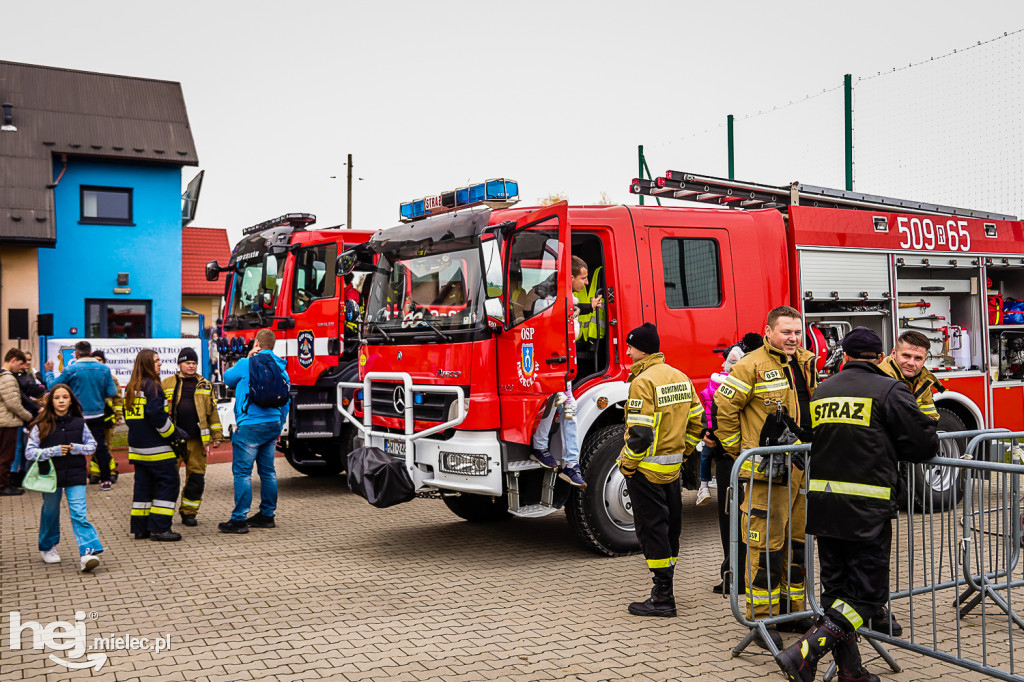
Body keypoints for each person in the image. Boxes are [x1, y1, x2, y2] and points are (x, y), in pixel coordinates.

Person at [776, 327, 937, 682]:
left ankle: (851, 671)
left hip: (824, 507)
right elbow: (924, 445)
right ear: (882, 357)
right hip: (866, 509)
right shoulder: (890, 389)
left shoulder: (823, 390)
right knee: (866, 596)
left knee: (837, 593)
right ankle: (804, 652)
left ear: (845, 356)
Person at [713, 306, 818, 649]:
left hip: (800, 469)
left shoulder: (806, 362)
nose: (792, 338)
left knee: (796, 543)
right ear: (769, 331)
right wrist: (740, 453)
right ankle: (762, 617)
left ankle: (794, 608)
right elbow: (723, 408)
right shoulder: (750, 365)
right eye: (786, 332)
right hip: (766, 474)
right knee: (765, 546)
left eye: (797, 332)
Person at [618, 323, 706, 617]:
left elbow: (640, 434)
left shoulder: (642, 382)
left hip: (645, 472)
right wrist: (684, 452)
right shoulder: (679, 376)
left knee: (651, 530)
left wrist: (628, 465)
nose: (628, 351)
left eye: (630, 346)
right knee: (670, 530)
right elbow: (698, 422)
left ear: (641, 349)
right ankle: (664, 590)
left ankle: (663, 597)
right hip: (672, 471)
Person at [529, 256, 603, 488]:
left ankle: (570, 464)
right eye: (583, 277)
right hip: (550, 366)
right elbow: (558, 315)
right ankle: (542, 449)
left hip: (564, 368)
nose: (586, 281)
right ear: (569, 277)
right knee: (552, 409)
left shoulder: (569, 298)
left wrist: (586, 307)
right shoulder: (546, 299)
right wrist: (583, 308)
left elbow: (570, 313)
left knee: (568, 413)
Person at [25, 384, 104, 572]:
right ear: (51, 401)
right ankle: (48, 547)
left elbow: (92, 446)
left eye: (65, 397)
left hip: (75, 475)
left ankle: (88, 553)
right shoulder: (41, 424)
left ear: (71, 400)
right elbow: (30, 452)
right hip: (50, 476)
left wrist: (77, 448)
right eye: (57, 397)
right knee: (50, 513)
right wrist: (52, 451)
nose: (61, 401)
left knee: (78, 513)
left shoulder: (79, 423)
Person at [220, 328, 289, 534]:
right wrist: (279, 424)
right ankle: (267, 515)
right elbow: (286, 399)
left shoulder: (245, 364)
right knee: (268, 471)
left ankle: (239, 519)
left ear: (256, 343)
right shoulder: (280, 366)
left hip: (250, 424)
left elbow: (227, 378)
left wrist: (247, 356)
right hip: (272, 424)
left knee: (242, 473)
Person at [124, 349, 188, 542]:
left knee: (143, 487)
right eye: (155, 361)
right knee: (168, 484)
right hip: (157, 451)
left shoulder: (131, 387)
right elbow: (158, 418)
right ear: (146, 365)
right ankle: (160, 528)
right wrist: (175, 436)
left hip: (138, 450)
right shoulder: (152, 386)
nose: (160, 364)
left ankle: (140, 529)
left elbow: (130, 417)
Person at [44, 340, 118, 491]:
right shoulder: (104, 369)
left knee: (69, 446)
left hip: (76, 415)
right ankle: (105, 480)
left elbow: (52, 387)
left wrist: (49, 372)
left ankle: (69, 481)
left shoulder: (71, 369)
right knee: (100, 447)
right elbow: (111, 392)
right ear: (90, 353)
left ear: (76, 354)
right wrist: (98, 395)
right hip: (98, 414)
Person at [162, 347, 222, 526]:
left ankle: (189, 513)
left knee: (196, 479)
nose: (191, 366)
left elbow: (212, 412)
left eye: (194, 363)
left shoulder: (205, 384)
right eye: (188, 363)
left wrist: (217, 435)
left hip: (196, 441)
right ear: (179, 363)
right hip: (172, 441)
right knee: (168, 478)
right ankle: (164, 514)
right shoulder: (166, 384)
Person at [880, 330, 944, 422]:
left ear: (924, 360)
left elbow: (931, 418)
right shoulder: (881, 377)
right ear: (893, 354)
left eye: (918, 358)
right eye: (906, 356)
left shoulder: (923, 381)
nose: (911, 363)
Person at [0, 349, 34, 495]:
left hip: (3, 421)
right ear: (13, 360)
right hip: (7, 423)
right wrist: (28, 416)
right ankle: (3, 486)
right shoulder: (8, 378)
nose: (20, 368)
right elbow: (13, 403)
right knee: (6, 456)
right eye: (20, 364)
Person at [89, 350, 122, 485]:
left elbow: (118, 398)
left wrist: (119, 415)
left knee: (106, 446)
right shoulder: (89, 378)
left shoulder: (111, 378)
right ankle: (95, 473)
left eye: (100, 360)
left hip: (107, 417)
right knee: (93, 446)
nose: (97, 362)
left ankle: (111, 472)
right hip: (92, 417)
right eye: (95, 360)